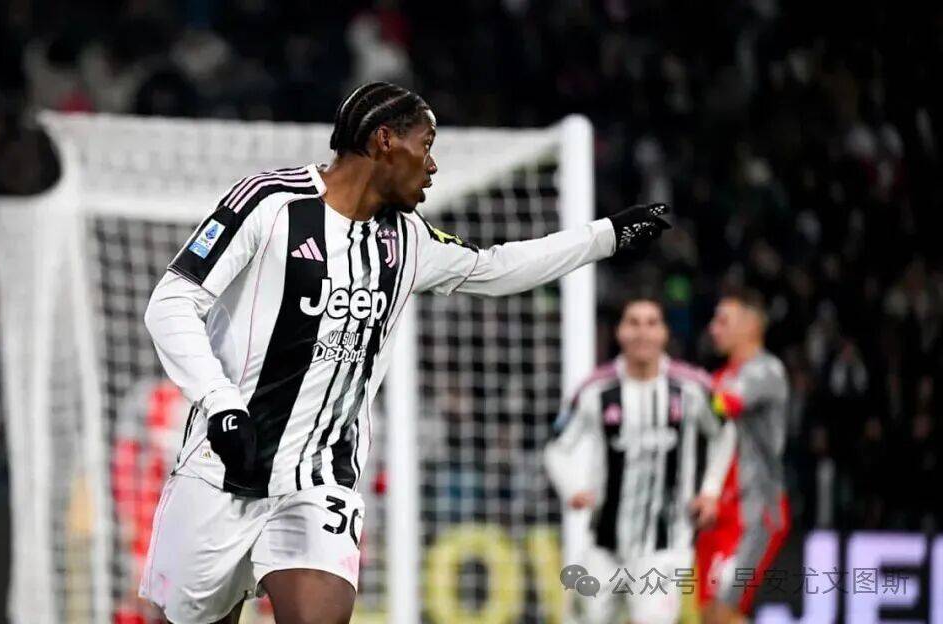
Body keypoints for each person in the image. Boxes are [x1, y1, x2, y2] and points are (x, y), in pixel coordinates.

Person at [139, 81, 673, 624]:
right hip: (222, 467)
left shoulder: (407, 240)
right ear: (385, 141)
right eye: (427, 145)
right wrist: (222, 404)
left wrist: (607, 235)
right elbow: (171, 303)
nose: (433, 165)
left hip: (319, 480)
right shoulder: (269, 202)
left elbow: (496, 267)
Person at [545, 297, 735, 624]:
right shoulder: (594, 389)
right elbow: (556, 447)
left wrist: (710, 491)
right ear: (620, 332)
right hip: (603, 545)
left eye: (651, 323)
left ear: (664, 333)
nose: (642, 333)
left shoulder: (693, 387)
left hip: (666, 544)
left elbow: (725, 431)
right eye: (633, 323)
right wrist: (572, 487)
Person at [695, 290, 791, 624]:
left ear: (751, 325)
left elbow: (723, 404)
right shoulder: (720, 376)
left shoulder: (766, 371)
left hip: (754, 511)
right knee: (710, 615)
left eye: (723, 321)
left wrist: (680, 386)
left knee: (723, 612)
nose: (713, 328)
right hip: (718, 511)